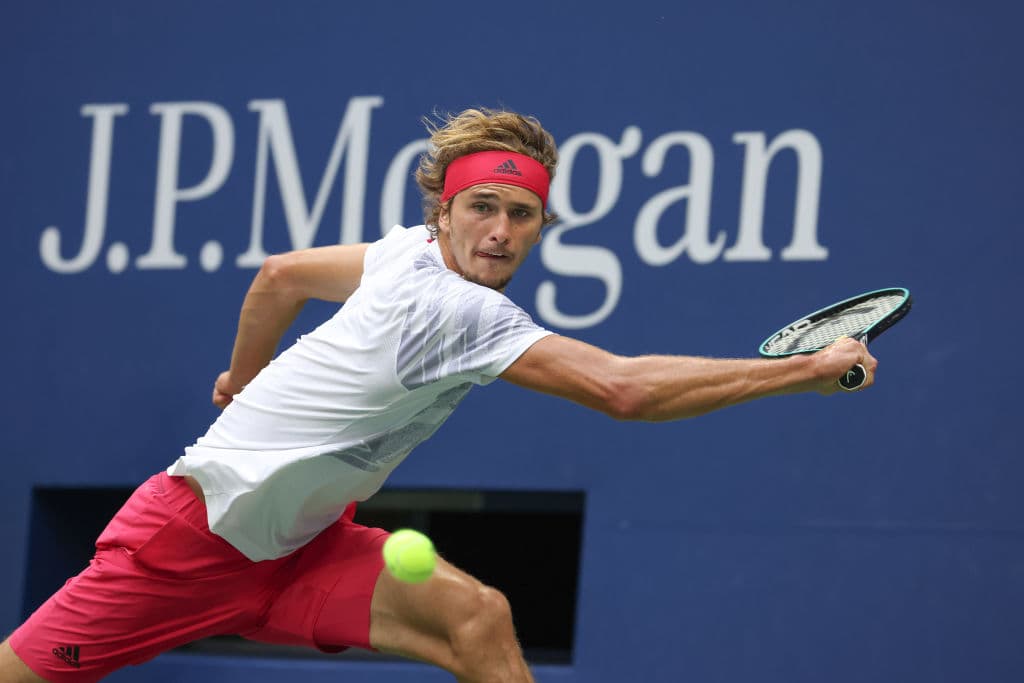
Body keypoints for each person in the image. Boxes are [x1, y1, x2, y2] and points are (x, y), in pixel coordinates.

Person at [0, 108, 877, 683]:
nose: (500, 232)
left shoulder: (401, 252)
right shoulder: (451, 306)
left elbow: (279, 276)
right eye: (483, 208)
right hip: (187, 545)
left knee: (475, 615)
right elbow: (622, 391)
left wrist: (242, 379)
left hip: (299, 548)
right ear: (445, 213)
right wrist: (803, 369)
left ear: (543, 224)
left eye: (522, 215)